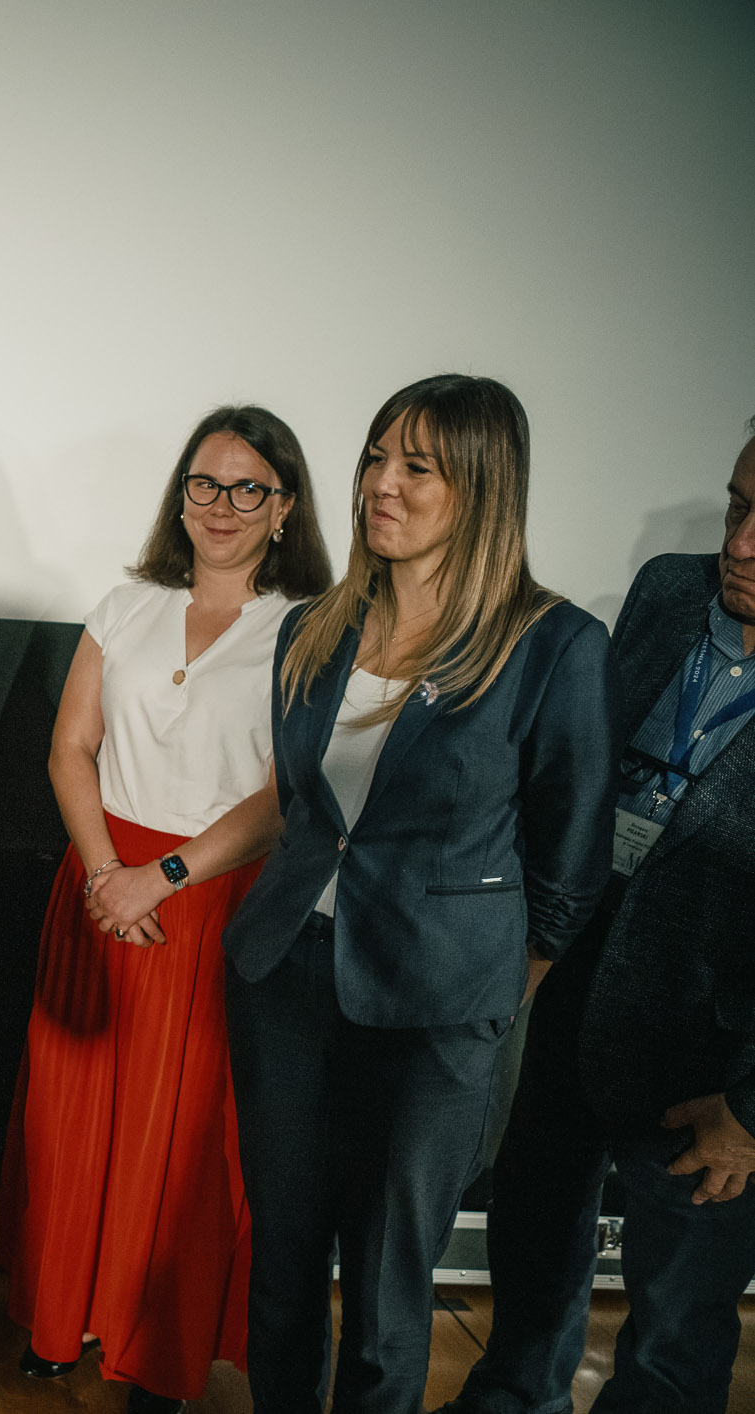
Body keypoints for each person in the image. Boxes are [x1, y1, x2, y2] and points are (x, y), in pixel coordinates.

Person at [90, 374, 615, 1413]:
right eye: (376, 457)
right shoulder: (318, 628)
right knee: (282, 1264)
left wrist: (490, 1005)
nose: (382, 483)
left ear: (482, 485)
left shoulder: (553, 645)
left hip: (435, 1012)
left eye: (417, 466)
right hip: (285, 976)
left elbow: (570, 865)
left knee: (385, 1292)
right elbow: (299, 809)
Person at [2, 406, 332, 1411]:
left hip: (214, 903)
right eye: (203, 482)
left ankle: (156, 1347)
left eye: (247, 488)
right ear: (179, 495)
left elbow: (286, 795)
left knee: (179, 1139)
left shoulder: (310, 626)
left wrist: (164, 877)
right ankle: (62, 1318)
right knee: (72, 1118)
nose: (220, 505)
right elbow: (70, 747)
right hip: (98, 891)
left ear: (284, 507)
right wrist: (107, 871)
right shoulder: (127, 603)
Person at [441, 421, 755, 1414]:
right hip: (575, 990)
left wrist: (750, 1113)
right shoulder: (668, 590)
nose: (740, 543)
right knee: (533, 1236)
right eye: (738, 506)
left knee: (674, 1326)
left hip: (711, 1063)